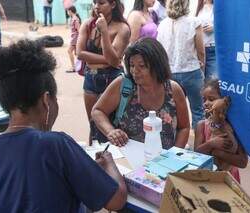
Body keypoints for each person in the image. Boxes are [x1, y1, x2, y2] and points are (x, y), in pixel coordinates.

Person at [0, 39, 127, 212]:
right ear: (46, 101)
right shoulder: (55, 144)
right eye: (55, 99)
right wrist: (109, 163)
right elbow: (116, 200)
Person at [92, 38, 190, 149]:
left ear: (157, 66)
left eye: (142, 66)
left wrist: (174, 156)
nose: (135, 71)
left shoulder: (173, 90)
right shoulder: (123, 85)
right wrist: (111, 131)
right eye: (132, 65)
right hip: (128, 158)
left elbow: (184, 127)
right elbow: (98, 111)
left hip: (165, 162)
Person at [76, 0, 130, 145]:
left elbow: (113, 61)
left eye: (101, 2)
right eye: (94, 2)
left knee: (110, 126)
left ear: (113, 5)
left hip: (112, 79)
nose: (96, 6)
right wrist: (108, 58)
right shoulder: (88, 24)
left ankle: (111, 161)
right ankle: (93, 159)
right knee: (93, 124)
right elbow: (80, 53)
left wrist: (105, 32)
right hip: (91, 77)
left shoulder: (122, 28)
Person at [157, 0, 205, 129]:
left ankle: (174, 142)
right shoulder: (194, 22)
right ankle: (198, 146)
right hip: (191, 71)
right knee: (198, 111)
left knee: (173, 111)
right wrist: (202, 65)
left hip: (170, 73)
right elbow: (200, 50)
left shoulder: (162, 24)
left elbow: (160, 51)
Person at [194, 79, 248, 183]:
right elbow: (196, 155)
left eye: (211, 99)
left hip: (229, 178)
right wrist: (211, 144)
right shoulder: (201, 126)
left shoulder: (235, 128)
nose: (206, 103)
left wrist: (218, 153)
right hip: (207, 178)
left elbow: (243, 162)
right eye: (204, 99)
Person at [196, 0, 217, 81]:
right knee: (200, 81)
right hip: (198, 50)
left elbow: (227, 25)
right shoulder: (197, 8)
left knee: (212, 81)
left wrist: (214, 27)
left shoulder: (217, 7)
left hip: (212, 48)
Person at [66, 6, 81, 73]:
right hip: (74, 38)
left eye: (68, 11)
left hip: (75, 39)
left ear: (70, 11)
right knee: (77, 53)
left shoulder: (75, 19)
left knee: (69, 51)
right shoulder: (73, 18)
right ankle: (79, 67)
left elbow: (79, 30)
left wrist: (79, 39)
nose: (67, 12)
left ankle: (73, 67)